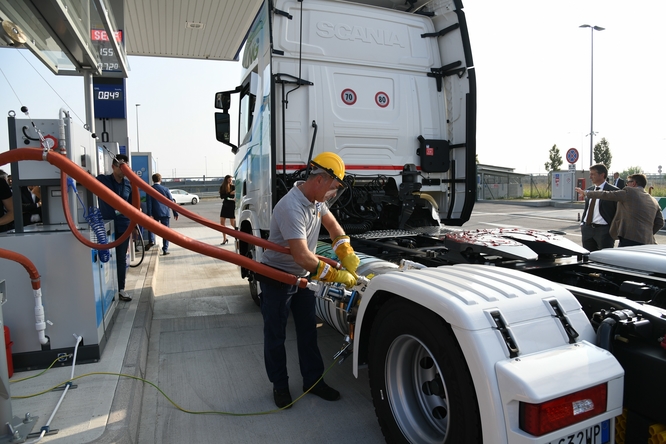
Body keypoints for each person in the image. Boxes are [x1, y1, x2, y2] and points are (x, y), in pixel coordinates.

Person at [259, 152, 359, 409]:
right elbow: (303, 256)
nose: (332, 194)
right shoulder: (291, 207)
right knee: (275, 337)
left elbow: (334, 227)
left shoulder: (315, 201)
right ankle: (280, 386)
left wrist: (345, 252)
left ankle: (312, 382)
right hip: (277, 279)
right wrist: (336, 274)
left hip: (301, 279)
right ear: (320, 180)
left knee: (307, 333)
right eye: (333, 188)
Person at [576, 173, 664, 247]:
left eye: (628, 182)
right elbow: (660, 222)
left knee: (625, 265)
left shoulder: (630, 192)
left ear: (633, 183)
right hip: (648, 242)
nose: (626, 185)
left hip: (629, 240)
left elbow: (607, 194)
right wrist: (647, 233)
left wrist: (586, 193)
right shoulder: (653, 200)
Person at [97, 154, 133, 302]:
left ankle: (120, 289)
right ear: (113, 166)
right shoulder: (102, 180)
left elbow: (133, 206)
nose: (124, 168)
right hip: (106, 228)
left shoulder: (129, 185)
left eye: (126, 165)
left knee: (120, 258)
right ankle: (107, 290)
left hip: (123, 227)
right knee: (105, 259)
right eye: (121, 165)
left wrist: (134, 227)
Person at [579, 164, 618, 252]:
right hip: (587, 229)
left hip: (604, 230)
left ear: (602, 175)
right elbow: (587, 209)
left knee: (605, 258)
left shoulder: (613, 191)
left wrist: (613, 228)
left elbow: (618, 212)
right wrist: (582, 223)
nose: (590, 177)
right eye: (590, 174)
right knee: (588, 258)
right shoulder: (589, 190)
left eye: (593, 174)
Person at [146, 173, 178, 255]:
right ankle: (165, 249)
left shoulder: (150, 189)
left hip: (155, 212)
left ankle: (152, 240)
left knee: (151, 227)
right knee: (166, 232)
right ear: (160, 180)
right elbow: (171, 202)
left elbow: (149, 203)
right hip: (165, 213)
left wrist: (150, 214)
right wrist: (175, 212)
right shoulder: (165, 189)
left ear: (153, 180)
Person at [219, 175, 236, 245]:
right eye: (229, 180)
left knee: (232, 223)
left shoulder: (233, 187)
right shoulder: (222, 187)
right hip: (225, 206)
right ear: (226, 180)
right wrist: (229, 194)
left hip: (231, 206)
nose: (230, 181)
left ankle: (239, 235)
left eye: (231, 180)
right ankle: (224, 239)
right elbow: (222, 197)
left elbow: (234, 197)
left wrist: (229, 195)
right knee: (222, 223)